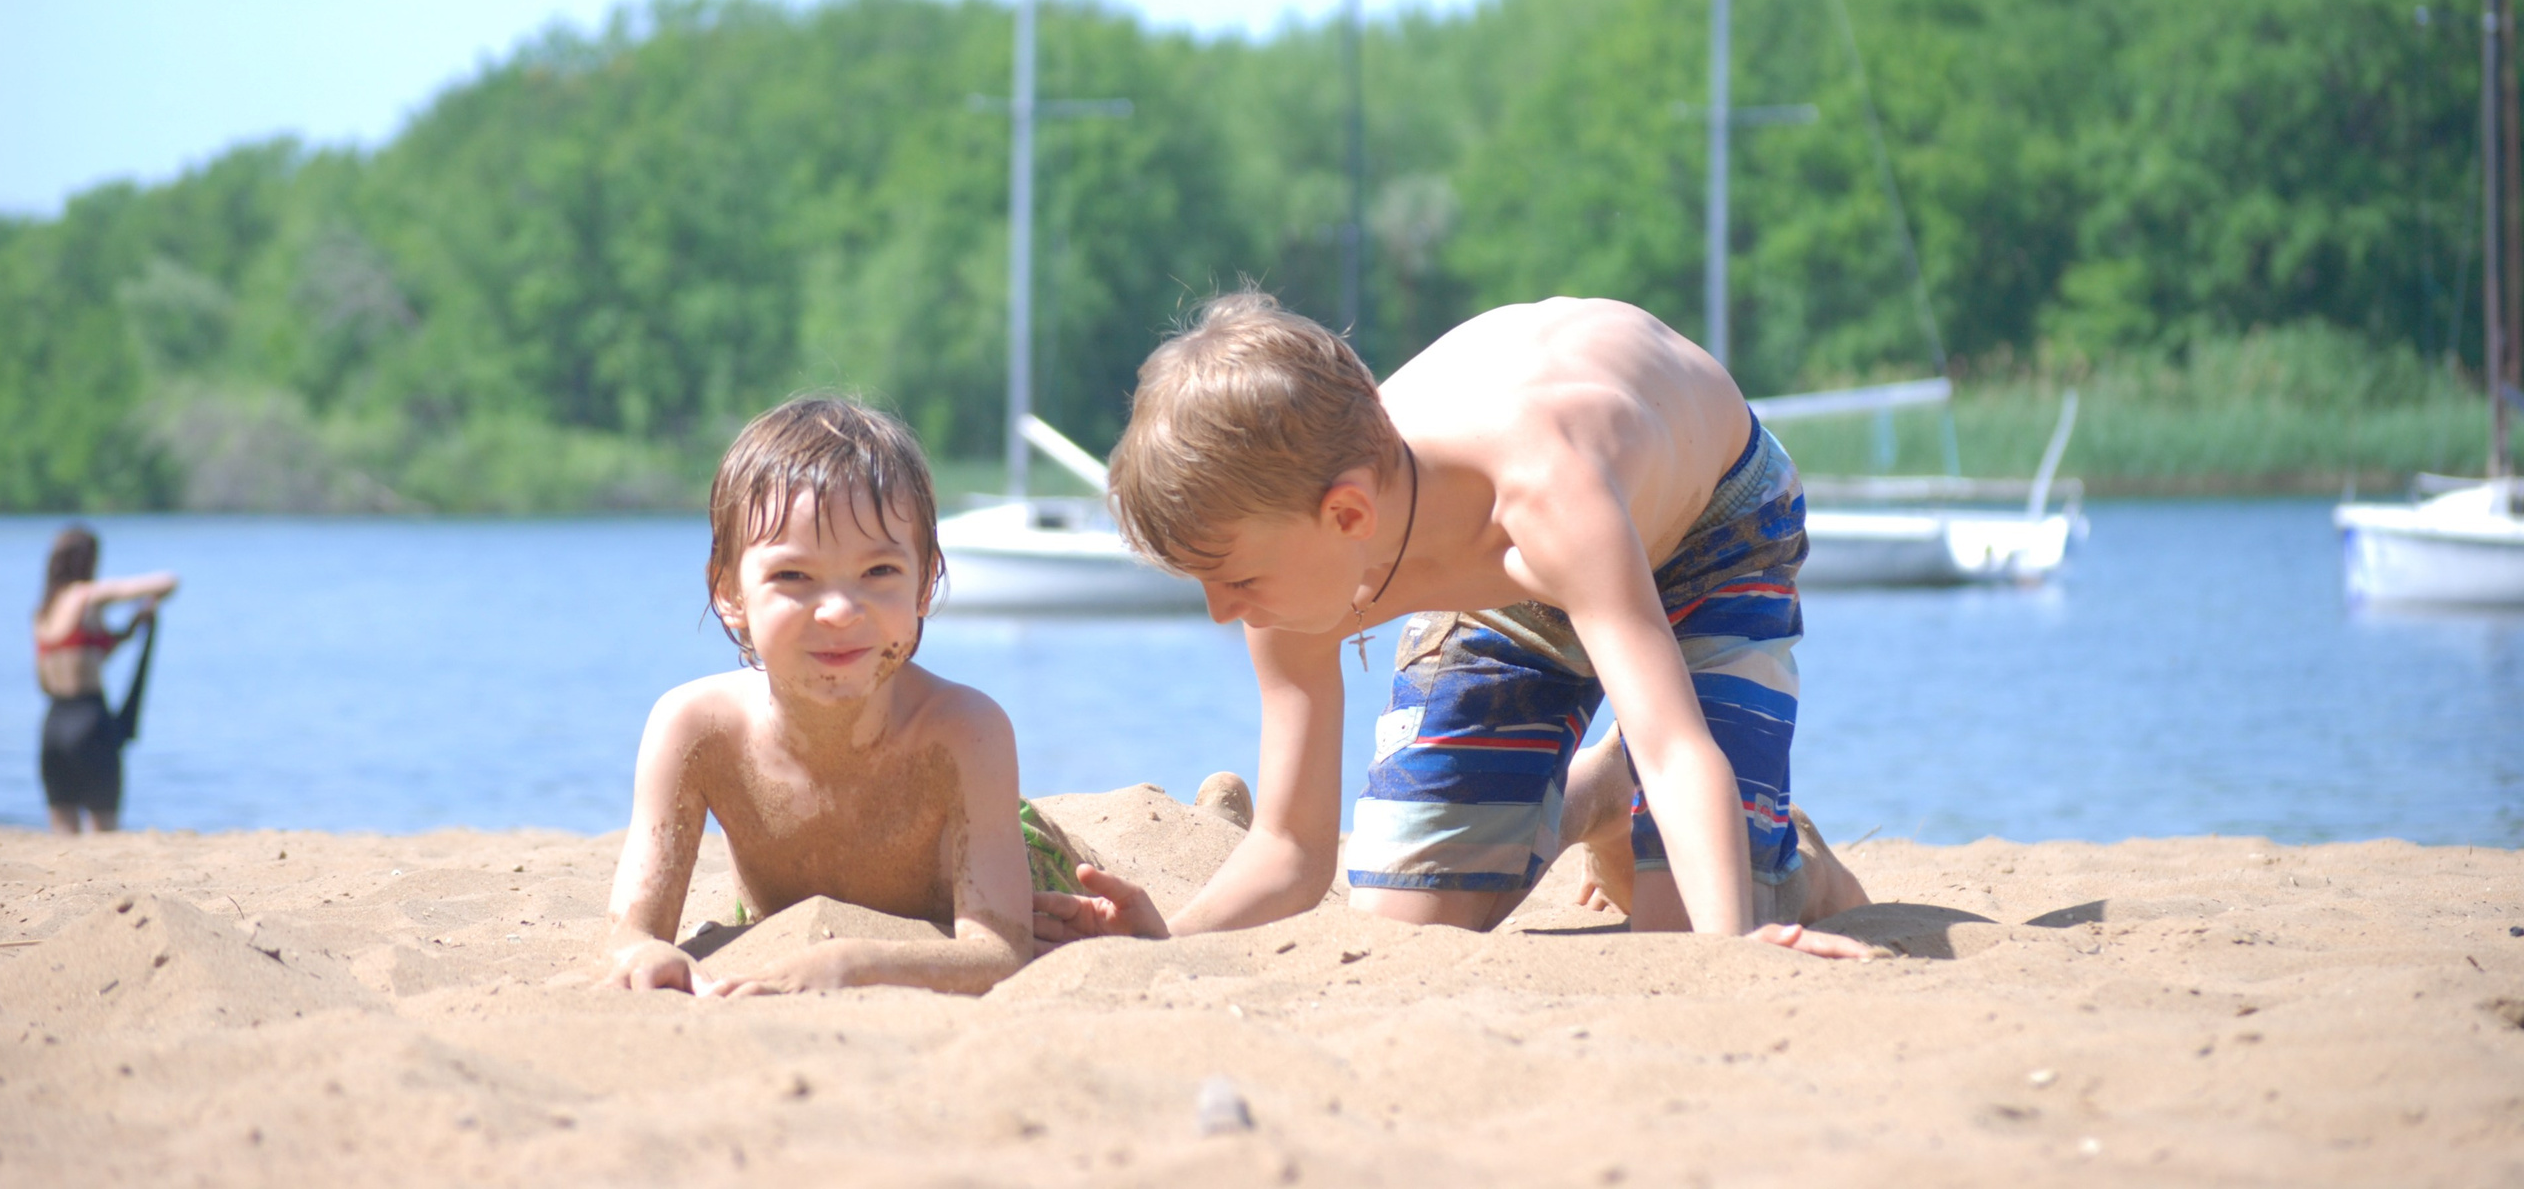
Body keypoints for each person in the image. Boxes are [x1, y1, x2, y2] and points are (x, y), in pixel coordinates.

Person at [1034, 292, 1874, 956]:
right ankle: (1605, 796)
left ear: (1348, 513)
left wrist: (1733, 953)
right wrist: (1164, 941)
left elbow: (1675, 746)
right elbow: (1290, 848)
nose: (1223, 612)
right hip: (1495, 571)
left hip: (1704, 528)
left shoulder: (1546, 491)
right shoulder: (1288, 544)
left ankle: (1794, 868)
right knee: (1404, 919)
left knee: (1686, 932)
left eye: (1234, 580)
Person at [601, 396, 1034, 997]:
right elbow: (631, 931)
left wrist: (858, 966)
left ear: (925, 582)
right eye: (793, 577)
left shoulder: (965, 731)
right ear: (729, 592)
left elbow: (1003, 952)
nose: (838, 611)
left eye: (879, 572)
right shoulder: (694, 729)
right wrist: (644, 953)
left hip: (1026, 856)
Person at [32, 525, 176, 834]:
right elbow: (166, 581)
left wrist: (127, 630)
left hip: (54, 724)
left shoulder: (42, 612)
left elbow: (56, 672)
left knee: (62, 825)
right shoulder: (87, 595)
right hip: (90, 721)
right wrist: (154, 597)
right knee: (104, 825)